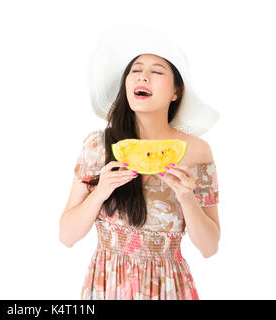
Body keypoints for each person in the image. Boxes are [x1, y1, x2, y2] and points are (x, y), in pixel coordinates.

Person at [59, 25, 221, 300]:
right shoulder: (98, 146)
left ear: (175, 92)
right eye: (136, 70)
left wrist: (187, 197)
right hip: (107, 284)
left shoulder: (197, 152)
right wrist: (100, 192)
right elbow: (66, 236)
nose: (143, 77)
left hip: (168, 287)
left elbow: (210, 247)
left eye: (157, 72)